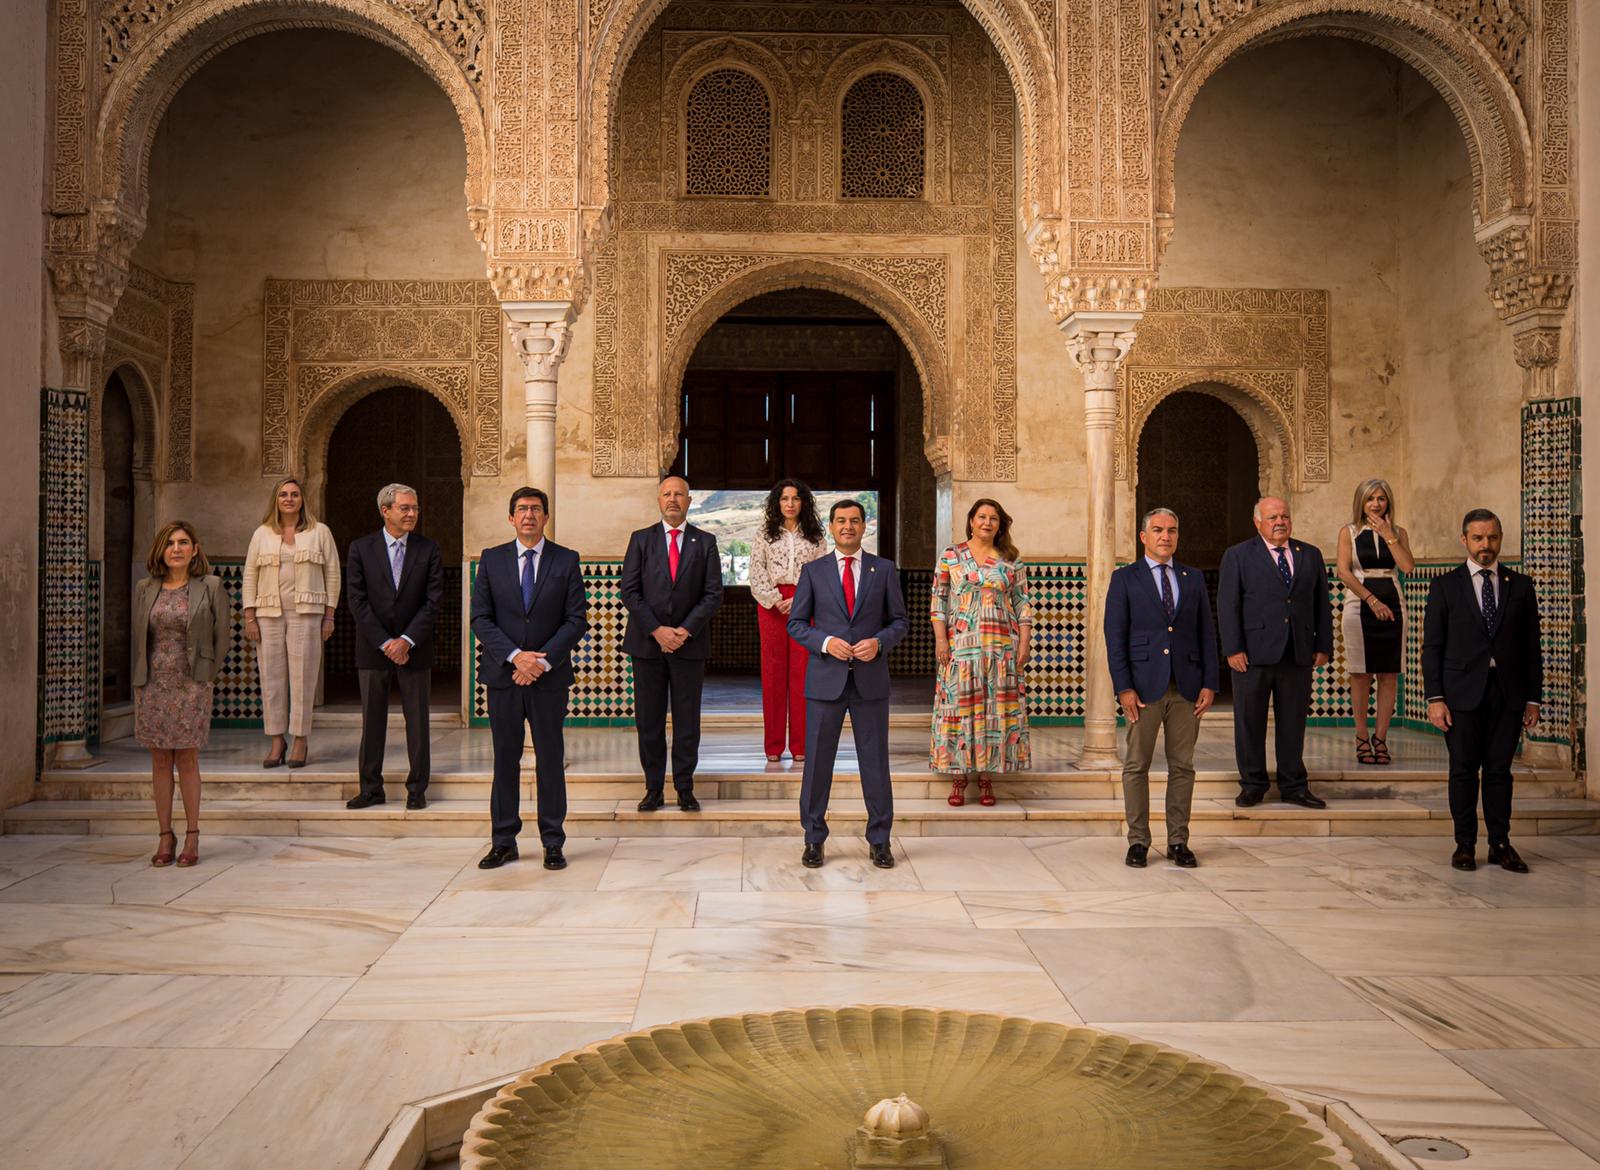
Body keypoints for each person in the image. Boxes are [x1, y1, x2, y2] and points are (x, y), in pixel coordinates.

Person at [469, 487, 590, 870]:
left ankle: (553, 841)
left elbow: (576, 618)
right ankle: (503, 840)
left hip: (548, 679)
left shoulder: (566, 560)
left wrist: (543, 660)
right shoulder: (491, 560)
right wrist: (516, 657)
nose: (528, 516)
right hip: (504, 677)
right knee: (505, 759)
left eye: (536, 509)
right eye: (521, 509)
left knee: (550, 759)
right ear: (510, 518)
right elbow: (480, 619)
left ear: (546, 517)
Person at [788, 499, 909, 869]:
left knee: (874, 763)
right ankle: (813, 838)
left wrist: (879, 642)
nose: (848, 527)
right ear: (831, 526)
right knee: (817, 765)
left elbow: (900, 622)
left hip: (870, 682)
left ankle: (880, 840)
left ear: (864, 525)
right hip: (825, 682)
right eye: (841, 521)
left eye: (855, 520)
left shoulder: (884, 570)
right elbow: (797, 624)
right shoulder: (813, 571)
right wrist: (825, 643)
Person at [1423, 508, 1542, 874]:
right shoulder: (1445, 586)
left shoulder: (1519, 586)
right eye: (1477, 538)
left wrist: (1533, 698)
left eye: (1491, 537)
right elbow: (1432, 648)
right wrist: (1435, 698)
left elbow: (1531, 647)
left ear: (1500, 538)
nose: (1485, 545)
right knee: (1462, 770)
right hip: (1460, 695)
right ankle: (1464, 844)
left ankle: (1500, 844)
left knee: (1499, 772)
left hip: (1507, 694)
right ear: (1465, 540)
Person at [1103, 507, 1218, 868]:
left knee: (1182, 766)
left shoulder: (1193, 577)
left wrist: (1210, 682)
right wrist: (1124, 688)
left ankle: (1178, 841)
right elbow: (1115, 636)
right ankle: (1138, 841)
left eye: (1171, 530)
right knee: (1136, 765)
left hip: (1187, 687)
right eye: (1157, 530)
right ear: (1143, 537)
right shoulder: (1125, 579)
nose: (1165, 536)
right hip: (1143, 687)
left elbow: (1206, 633)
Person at [1218, 496, 1332, 809]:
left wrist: (1323, 644)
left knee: (1293, 722)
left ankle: (1294, 785)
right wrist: (1233, 649)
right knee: (1249, 721)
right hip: (1252, 655)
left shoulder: (1309, 554)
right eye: (1272, 517)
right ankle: (1252, 784)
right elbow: (1228, 606)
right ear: (1257, 522)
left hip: (1297, 653)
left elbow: (1321, 602)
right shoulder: (1238, 555)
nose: (1279, 522)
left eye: (1284, 516)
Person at [620, 475, 723, 812]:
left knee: (686, 720)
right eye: (667, 494)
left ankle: (684, 786)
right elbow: (630, 592)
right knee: (648, 721)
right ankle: (653, 788)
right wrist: (658, 631)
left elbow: (712, 594)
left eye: (679, 494)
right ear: (659, 500)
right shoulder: (640, 540)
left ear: (690, 500)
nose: (673, 499)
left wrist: (683, 630)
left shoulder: (705, 542)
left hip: (689, 646)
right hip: (647, 646)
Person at [133, 521, 231, 868]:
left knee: (187, 759)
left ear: (195, 549)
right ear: (161, 550)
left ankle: (191, 835)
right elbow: (139, 637)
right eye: (170, 543)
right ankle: (164, 835)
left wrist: (206, 675)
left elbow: (223, 638)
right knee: (160, 760)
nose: (176, 548)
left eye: (183, 542)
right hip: (152, 683)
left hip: (191, 684)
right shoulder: (146, 587)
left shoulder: (211, 586)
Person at [344, 483, 443, 811]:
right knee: (372, 720)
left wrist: (407, 640)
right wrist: (386, 642)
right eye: (405, 508)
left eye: (414, 508)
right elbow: (357, 601)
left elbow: (433, 601)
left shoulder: (428, 550)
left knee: (418, 719)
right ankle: (371, 788)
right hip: (374, 648)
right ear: (385, 510)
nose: (412, 513)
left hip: (416, 647)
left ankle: (417, 788)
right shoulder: (361, 548)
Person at [929, 498, 1033, 807]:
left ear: (1001, 525)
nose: (987, 523)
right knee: (959, 707)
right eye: (982, 517)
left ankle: (988, 777)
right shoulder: (951, 556)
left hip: (1000, 647)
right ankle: (959, 776)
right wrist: (941, 642)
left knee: (995, 709)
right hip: (961, 646)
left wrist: (1024, 644)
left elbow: (1022, 604)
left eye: (994, 519)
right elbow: (938, 602)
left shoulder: (1011, 559)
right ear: (971, 520)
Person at [241, 476, 340, 769]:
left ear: (302, 500)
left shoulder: (319, 532)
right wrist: (249, 616)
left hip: (307, 614)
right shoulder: (262, 534)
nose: (289, 499)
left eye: (294, 494)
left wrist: (329, 615)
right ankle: (276, 740)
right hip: (267, 614)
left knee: (303, 678)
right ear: (276, 499)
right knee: (271, 679)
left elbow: (333, 574)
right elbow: (250, 575)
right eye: (283, 494)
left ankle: (300, 740)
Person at [1335, 478, 1415, 765]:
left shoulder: (1399, 532)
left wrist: (1389, 534)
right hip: (1360, 604)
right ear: (1362, 502)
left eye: (1381, 498)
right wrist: (1371, 600)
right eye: (1371, 499)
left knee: (1389, 674)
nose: (1376, 504)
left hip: (1394, 602)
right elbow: (1343, 572)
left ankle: (1380, 738)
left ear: (1388, 502)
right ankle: (1361, 736)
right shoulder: (1349, 532)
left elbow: (1407, 566)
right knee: (1360, 673)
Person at [749, 479, 828, 763]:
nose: (791, 504)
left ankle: (800, 746)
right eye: (785, 499)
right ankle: (772, 746)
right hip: (771, 606)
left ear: (803, 502)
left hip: (806, 606)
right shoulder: (764, 534)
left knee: (802, 674)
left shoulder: (816, 536)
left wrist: (800, 600)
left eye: (796, 498)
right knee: (772, 675)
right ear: (777, 503)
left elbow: (822, 572)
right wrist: (773, 599)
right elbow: (756, 570)